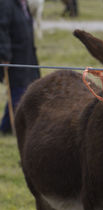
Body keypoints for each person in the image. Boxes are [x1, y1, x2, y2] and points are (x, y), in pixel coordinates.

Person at [0, 0, 40, 134]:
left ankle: (11, 125)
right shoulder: (6, 4)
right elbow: (1, 30)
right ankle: (8, 126)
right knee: (18, 90)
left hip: (27, 55)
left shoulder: (22, 4)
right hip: (14, 57)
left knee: (27, 88)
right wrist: (4, 55)